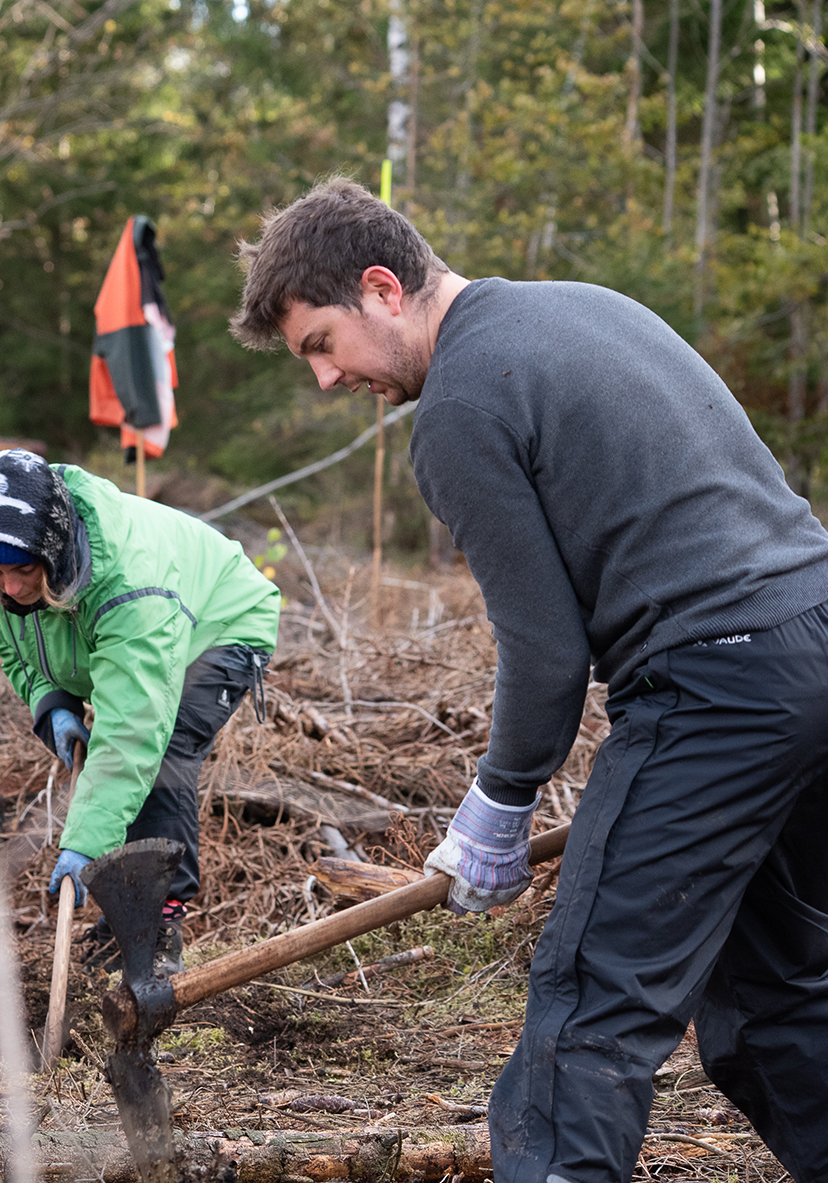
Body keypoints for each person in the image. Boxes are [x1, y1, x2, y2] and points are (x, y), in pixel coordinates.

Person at [230, 176, 828, 1183]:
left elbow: (547, 652)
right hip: (811, 645)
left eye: (320, 345)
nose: (326, 380)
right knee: (777, 1001)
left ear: (380, 288)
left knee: (589, 1006)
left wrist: (498, 803)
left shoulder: (460, 405)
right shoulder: (586, 308)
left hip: (716, 682)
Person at [0, 448, 281, 972]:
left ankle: (155, 924)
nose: (8, 588)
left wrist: (84, 844)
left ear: (55, 551)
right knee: (123, 769)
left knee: (163, 750)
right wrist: (52, 703)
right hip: (141, 635)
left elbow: (133, 732)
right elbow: (8, 646)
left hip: (220, 624)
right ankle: (123, 921)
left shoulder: (130, 585)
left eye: (22, 571)